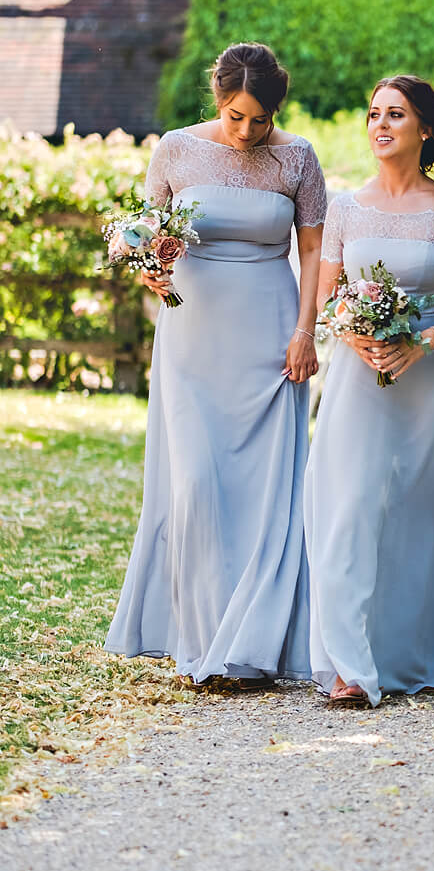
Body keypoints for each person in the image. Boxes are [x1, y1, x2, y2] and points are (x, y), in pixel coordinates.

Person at [106, 42, 322, 687]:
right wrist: (145, 264)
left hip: (271, 330)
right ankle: (204, 642)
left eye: (261, 119)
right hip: (194, 334)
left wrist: (305, 332)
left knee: (265, 491)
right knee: (196, 484)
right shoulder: (175, 148)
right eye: (235, 116)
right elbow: (145, 230)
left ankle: (253, 644)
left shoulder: (299, 157)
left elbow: (314, 253)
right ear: (218, 98)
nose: (248, 131)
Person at [305, 75, 434, 706]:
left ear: (427, 130)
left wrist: (423, 343)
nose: (381, 125)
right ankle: (349, 663)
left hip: (431, 382)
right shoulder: (346, 208)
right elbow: (329, 296)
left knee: (419, 514)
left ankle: (410, 658)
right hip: (358, 380)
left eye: (396, 115)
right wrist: (356, 336)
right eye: (374, 113)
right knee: (349, 508)